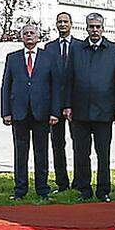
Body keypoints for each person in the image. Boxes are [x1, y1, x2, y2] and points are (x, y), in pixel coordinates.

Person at [62, 13, 115, 202]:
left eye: (98, 27)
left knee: (103, 152)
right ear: (86, 28)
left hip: (104, 110)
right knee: (81, 153)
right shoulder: (77, 49)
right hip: (80, 110)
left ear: (103, 28)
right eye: (91, 27)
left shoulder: (113, 50)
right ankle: (84, 189)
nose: (95, 30)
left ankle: (103, 190)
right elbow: (68, 78)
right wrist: (67, 105)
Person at [0, 23, 61, 199]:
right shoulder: (12, 58)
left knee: (41, 152)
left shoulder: (48, 57)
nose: (29, 36)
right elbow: (6, 86)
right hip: (19, 112)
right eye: (25, 33)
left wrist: (54, 112)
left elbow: (55, 86)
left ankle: (43, 190)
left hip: (42, 113)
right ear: (21, 37)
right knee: (20, 153)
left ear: (37, 36)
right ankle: (20, 191)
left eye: (32, 33)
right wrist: (6, 112)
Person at [44, 11, 77, 193]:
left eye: (65, 21)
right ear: (56, 25)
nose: (63, 24)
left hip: (75, 103)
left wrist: (71, 104)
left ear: (71, 24)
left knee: (78, 144)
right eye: (60, 22)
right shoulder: (49, 48)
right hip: (55, 104)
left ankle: (79, 182)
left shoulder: (80, 46)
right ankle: (62, 183)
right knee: (57, 144)